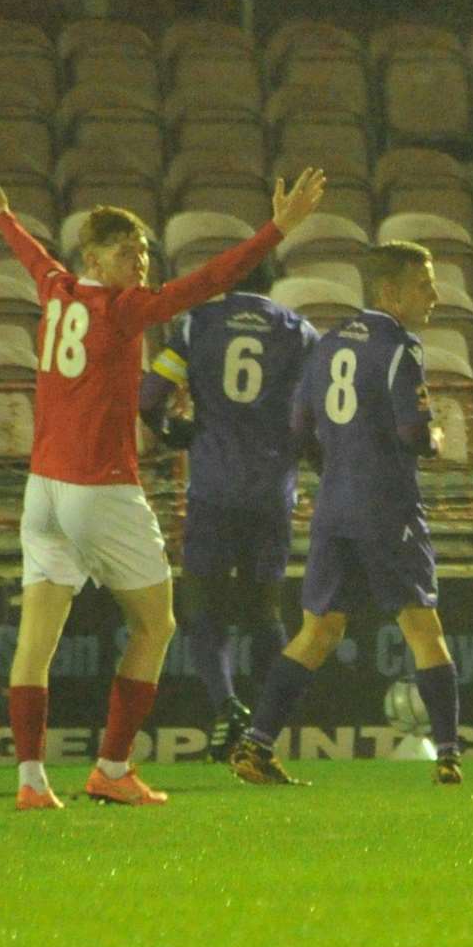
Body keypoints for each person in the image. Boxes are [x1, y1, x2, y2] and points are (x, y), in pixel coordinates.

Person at [0, 166, 326, 811]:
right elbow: (210, 280)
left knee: (36, 641)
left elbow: (33, 255)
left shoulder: (55, 289)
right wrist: (278, 229)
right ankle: (111, 766)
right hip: (99, 487)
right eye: (125, 252)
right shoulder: (124, 309)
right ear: (95, 257)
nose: (138, 261)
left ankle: (29, 781)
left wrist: (2, 214)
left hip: (43, 489)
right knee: (157, 625)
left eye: (142, 252)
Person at [227, 241, 463, 787]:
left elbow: (300, 428)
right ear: (389, 292)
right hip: (387, 506)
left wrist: (336, 470)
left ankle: (256, 746)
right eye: (424, 284)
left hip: (334, 508)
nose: (435, 295)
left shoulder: (327, 345)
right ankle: (448, 754)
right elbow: (412, 433)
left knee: (318, 631)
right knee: (422, 627)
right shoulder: (401, 346)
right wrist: (436, 437)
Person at [137, 261, 319, 761]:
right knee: (264, 612)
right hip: (270, 492)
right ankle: (265, 733)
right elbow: (312, 414)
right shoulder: (299, 332)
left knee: (202, 607)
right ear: (272, 282)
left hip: (213, 488)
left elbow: (150, 395)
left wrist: (170, 430)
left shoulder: (199, 324)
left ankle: (226, 709)